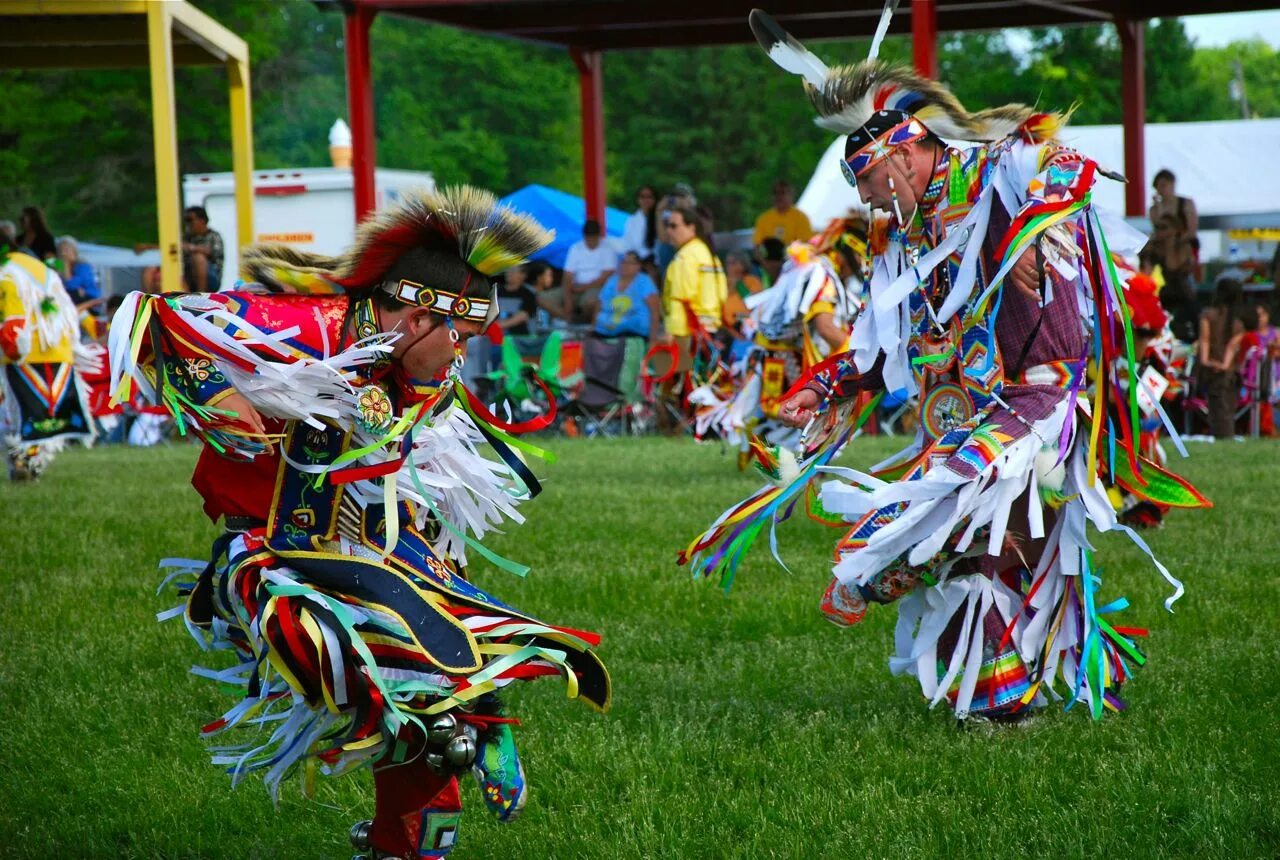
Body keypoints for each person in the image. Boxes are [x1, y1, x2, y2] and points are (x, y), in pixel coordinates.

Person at [683, 16, 1208, 724]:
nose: (864, 194)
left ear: (906, 153)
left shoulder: (997, 172)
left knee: (938, 524)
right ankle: (1002, 698)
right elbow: (882, 345)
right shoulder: (896, 235)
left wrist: (1032, 229)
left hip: (1036, 402)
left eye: (865, 176)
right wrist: (827, 384)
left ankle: (929, 593)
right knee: (984, 550)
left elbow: (1068, 167)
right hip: (965, 411)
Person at [108, 187, 610, 860]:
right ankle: (443, 760)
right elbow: (157, 316)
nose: (460, 354)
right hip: (270, 557)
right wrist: (220, 394)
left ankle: (418, 824)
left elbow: (418, 491)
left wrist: (448, 585)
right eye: (457, 335)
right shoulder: (308, 324)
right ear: (413, 317)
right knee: (388, 688)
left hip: (372, 551)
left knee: (433, 706)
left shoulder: (421, 379)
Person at [1, 236, 94, 480]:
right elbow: (69, 311)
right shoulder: (42, 269)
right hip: (59, 349)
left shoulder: (5, 272)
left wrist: (12, 348)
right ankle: (30, 462)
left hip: (23, 353)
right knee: (41, 414)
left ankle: (23, 461)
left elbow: (13, 320)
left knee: (16, 413)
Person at [657, 206, 727, 433]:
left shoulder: (686, 257)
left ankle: (677, 428)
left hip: (688, 331)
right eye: (667, 225)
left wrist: (671, 334)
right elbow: (723, 295)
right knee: (705, 384)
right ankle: (703, 429)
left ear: (691, 227)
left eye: (674, 225)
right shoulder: (708, 253)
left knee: (679, 384)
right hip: (709, 329)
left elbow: (680, 298)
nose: (669, 231)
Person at [541, 219, 617, 324]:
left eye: (593, 239)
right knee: (542, 298)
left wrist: (582, 287)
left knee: (590, 303)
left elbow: (606, 277)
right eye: (588, 239)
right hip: (575, 287)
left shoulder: (607, 249)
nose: (591, 242)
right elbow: (567, 275)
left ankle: (587, 322)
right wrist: (568, 299)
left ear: (599, 236)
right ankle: (570, 320)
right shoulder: (576, 248)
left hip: (595, 288)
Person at [1197, 277, 1244, 439]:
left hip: (1211, 370)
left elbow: (1205, 340)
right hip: (1230, 372)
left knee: (1216, 406)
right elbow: (1232, 348)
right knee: (1227, 407)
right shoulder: (1238, 323)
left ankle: (1221, 435)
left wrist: (1206, 361)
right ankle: (1227, 435)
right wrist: (1224, 365)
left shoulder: (1208, 315)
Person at [590, 250, 660, 343]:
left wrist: (653, 338)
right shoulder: (612, 280)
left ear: (638, 267)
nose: (625, 266)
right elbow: (599, 305)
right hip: (606, 331)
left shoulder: (644, 281)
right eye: (623, 262)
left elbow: (655, 310)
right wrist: (593, 328)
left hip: (634, 332)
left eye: (630, 263)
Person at [752, 180, 813, 247]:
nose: (778, 196)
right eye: (775, 193)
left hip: (793, 256)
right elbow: (757, 245)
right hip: (769, 256)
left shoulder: (801, 218)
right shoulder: (764, 219)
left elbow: (805, 244)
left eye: (782, 193)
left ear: (791, 195)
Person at [182, 205, 225, 293]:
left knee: (198, 258)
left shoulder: (214, 236)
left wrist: (191, 248)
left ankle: (201, 294)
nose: (188, 224)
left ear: (202, 220)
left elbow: (210, 251)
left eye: (189, 220)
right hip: (189, 275)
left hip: (211, 278)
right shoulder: (187, 237)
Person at [720, 250, 764, 332]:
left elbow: (754, 305)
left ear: (743, 265)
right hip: (726, 328)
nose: (729, 266)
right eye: (728, 263)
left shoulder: (752, 281)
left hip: (747, 324)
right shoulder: (721, 282)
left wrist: (739, 284)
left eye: (733, 263)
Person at [55, 236, 101, 306]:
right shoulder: (58, 265)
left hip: (90, 299)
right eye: (60, 250)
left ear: (74, 251)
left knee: (73, 292)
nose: (63, 253)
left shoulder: (82, 265)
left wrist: (66, 264)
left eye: (66, 250)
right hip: (70, 300)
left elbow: (71, 285)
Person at [622, 185, 658, 265]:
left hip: (659, 262)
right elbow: (628, 245)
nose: (646, 200)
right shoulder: (632, 220)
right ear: (638, 199)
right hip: (638, 262)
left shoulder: (662, 219)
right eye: (642, 196)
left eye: (649, 196)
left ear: (655, 199)